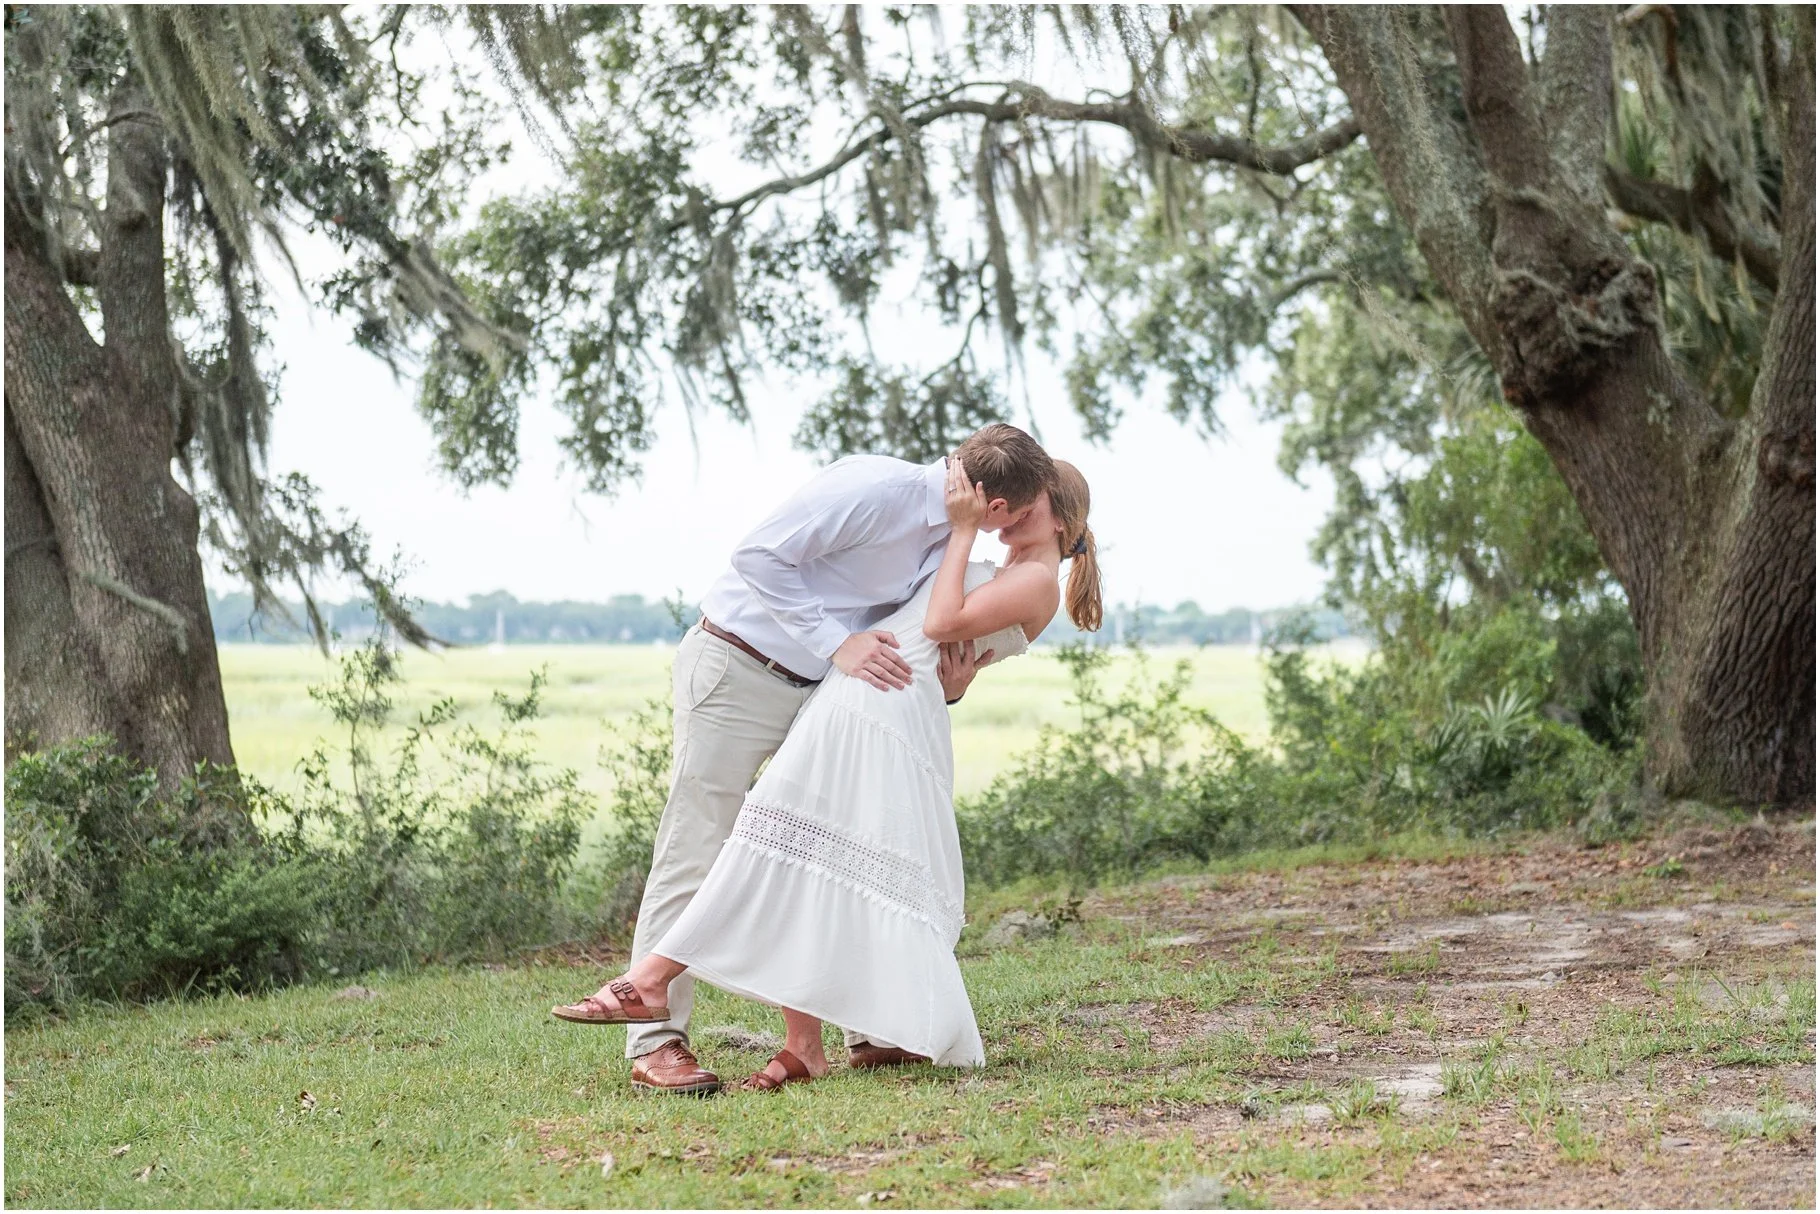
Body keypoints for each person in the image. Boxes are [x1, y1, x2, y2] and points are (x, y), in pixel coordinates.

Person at [554, 457, 1102, 1092]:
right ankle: (657, 1039)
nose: (1005, 518)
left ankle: (822, 1035)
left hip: (848, 699)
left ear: (1057, 517)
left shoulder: (984, 552)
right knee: (706, 850)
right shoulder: (882, 492)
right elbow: (764, 559)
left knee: (818, 856)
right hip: (746, 668)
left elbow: (938, 635)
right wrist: (887, 651)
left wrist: (952, 677)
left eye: (1028, 505)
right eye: (1012, 501)